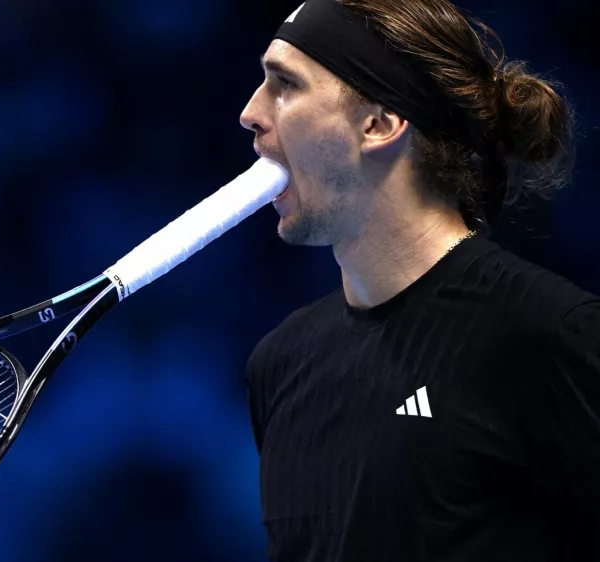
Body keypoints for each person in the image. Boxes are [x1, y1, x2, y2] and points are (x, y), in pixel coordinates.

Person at [239, 0, 600, 560]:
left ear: (379, 124)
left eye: (285, 85)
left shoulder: (555, 337)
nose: (251, 113)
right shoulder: (279, 364)